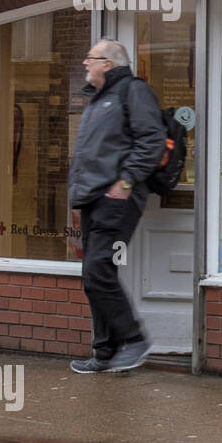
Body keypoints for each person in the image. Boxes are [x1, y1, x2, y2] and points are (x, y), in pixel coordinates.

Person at [66, 40, 168, 374]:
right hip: (93, 198)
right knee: (92, 276)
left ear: (107, 63)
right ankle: (105, 352)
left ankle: (135, 340)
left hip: (116, 198)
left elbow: (151, 139)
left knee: (99, 271)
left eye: (90, 59)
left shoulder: (132, 91)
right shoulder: (98, 98)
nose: (85, 64)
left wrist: (125, 183)